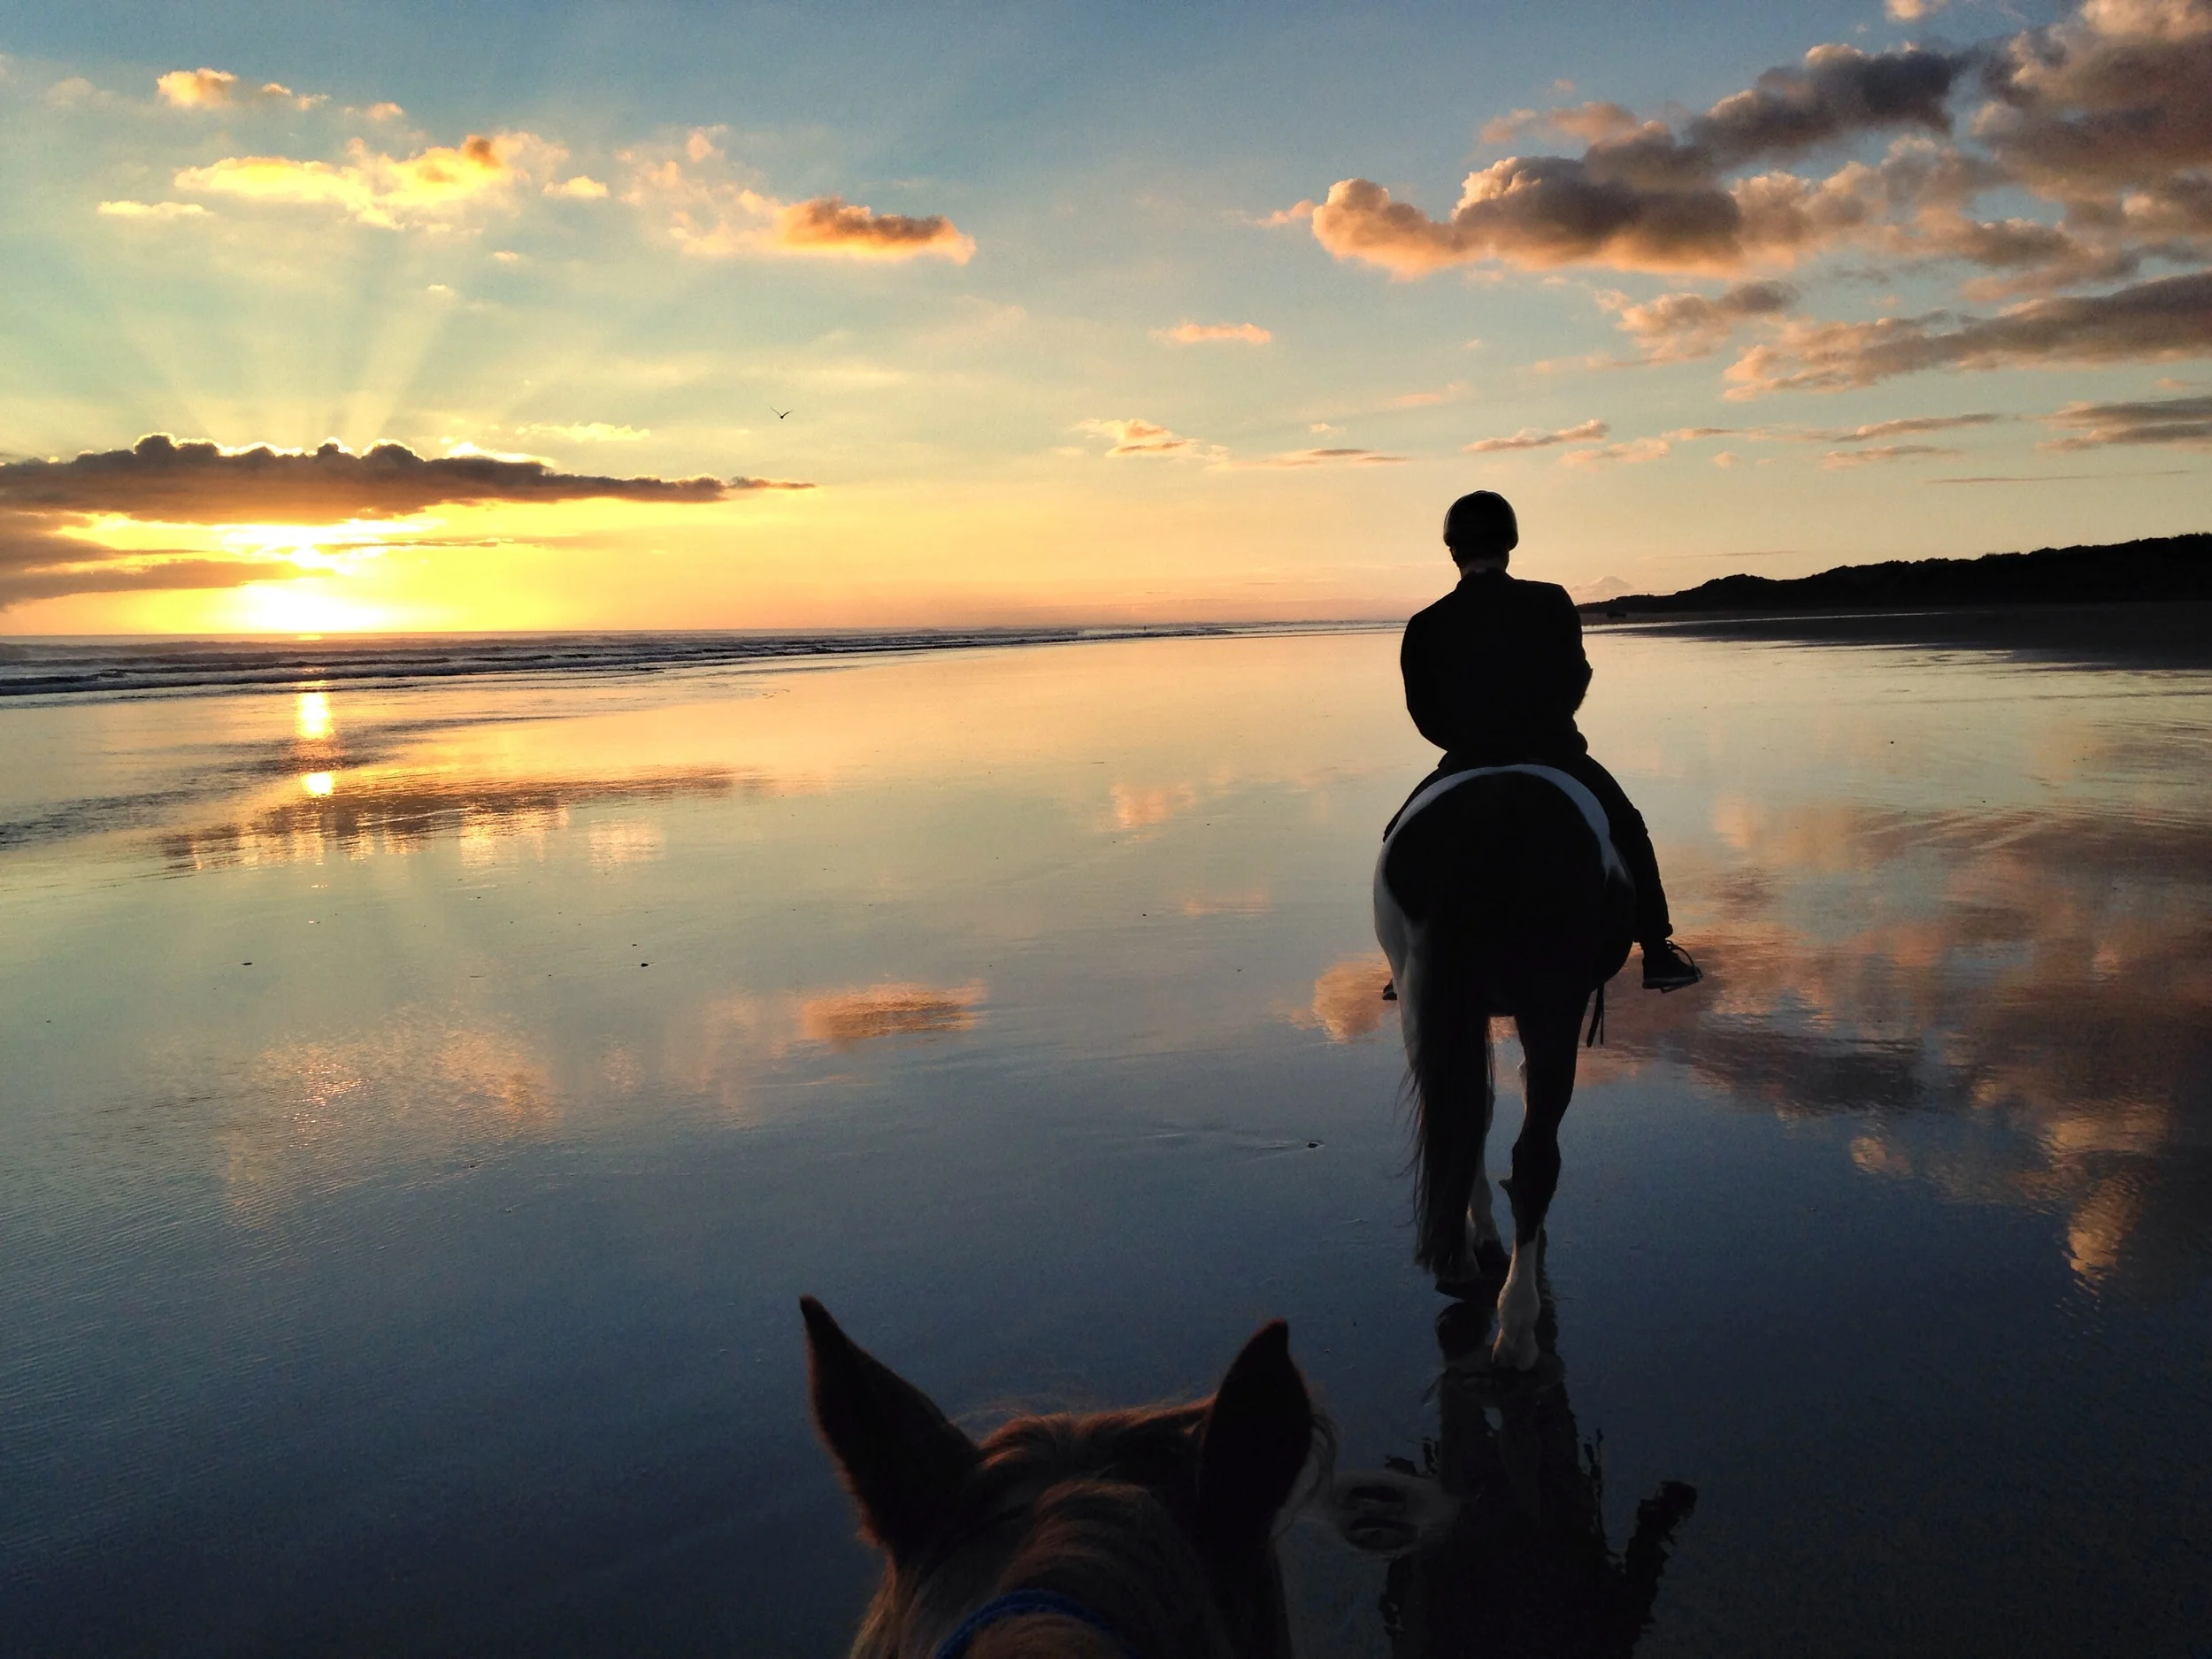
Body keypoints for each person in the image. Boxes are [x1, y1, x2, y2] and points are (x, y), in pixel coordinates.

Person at [1396, 489, 1701, 992]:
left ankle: (1406, 962)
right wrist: (1546, 728)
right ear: (1509, 545)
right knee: (1626, 828)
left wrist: (1470, 742)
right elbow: (1574, 677)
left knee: (1399, 837)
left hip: (1467, 758)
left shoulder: (1426, 623)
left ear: (1453, 552)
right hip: (1555, 754)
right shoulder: (1550, 600)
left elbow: (1423, 714)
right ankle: (1656, 952)